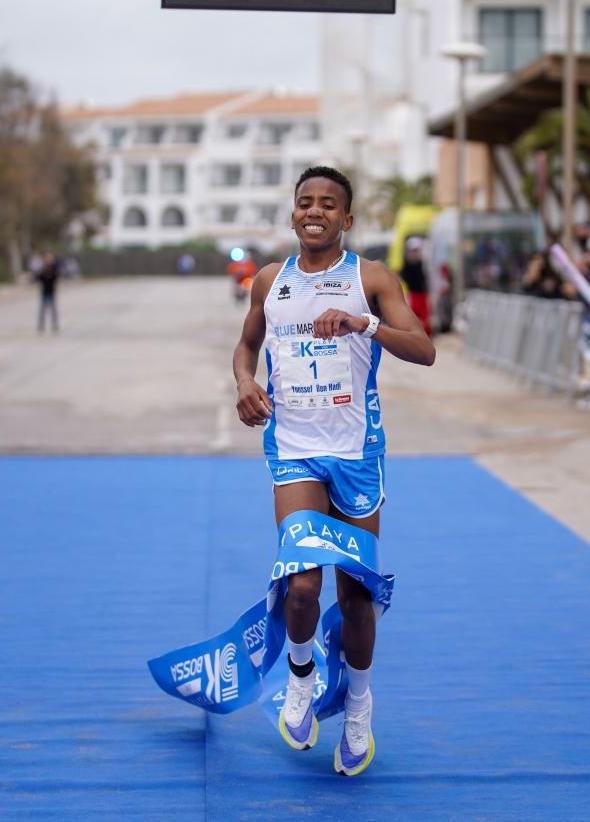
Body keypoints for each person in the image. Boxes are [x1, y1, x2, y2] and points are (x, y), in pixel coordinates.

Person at [232, 166, 435, 776]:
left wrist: (362, 322)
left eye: (328, 204)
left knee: (354, 599)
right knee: (300, 586)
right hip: (293, 449)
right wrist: (245, 381)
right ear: (293, 214)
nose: (314, 211)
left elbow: (423, 348)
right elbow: (247, 345)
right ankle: (300, 676)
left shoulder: (369, 278)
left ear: (345, 219)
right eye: (304, 202)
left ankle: (359, 706)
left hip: (356, 454)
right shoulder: (271, 281)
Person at [399, 237, 431, 335]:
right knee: (414, 317)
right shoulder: (406, 266)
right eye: (413, 251)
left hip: (423, 295)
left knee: (425, 317)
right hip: (413, 295)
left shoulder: (423, 264)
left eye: (416, 250)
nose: (415, 253)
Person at [34, 251, 60, 332]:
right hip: (44, 291)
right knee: (42, 310)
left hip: (52, 291)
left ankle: (55, 325)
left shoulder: (54, 267)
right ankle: (41, 326)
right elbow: (38, 278)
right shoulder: (42, 268)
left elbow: (55, 277)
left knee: (53, 310)